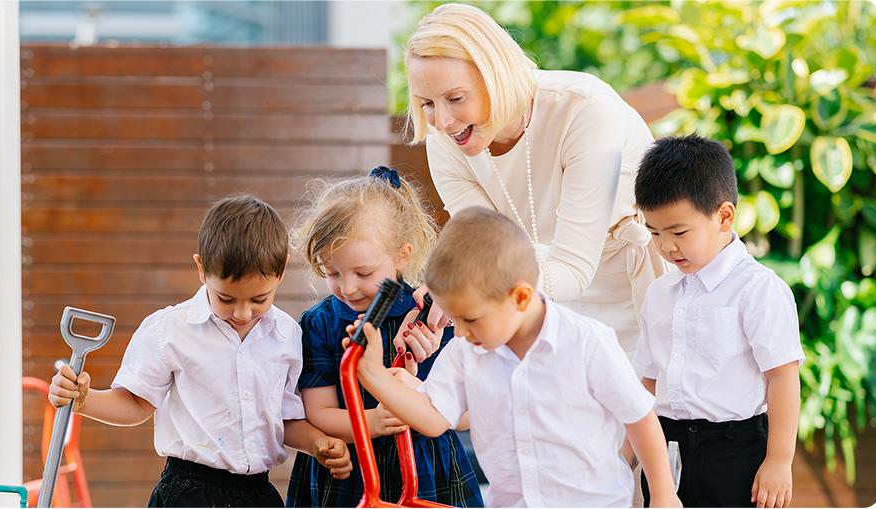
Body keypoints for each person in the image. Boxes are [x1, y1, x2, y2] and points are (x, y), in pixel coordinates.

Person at [350, 206, 681, 507]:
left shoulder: (588, 343)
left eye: (471, 319)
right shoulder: (467, 352)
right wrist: (373, 375)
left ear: (520, 298)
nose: (461, 332)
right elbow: (434, 416)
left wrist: (664, 494)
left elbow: (639, 417)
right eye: (455, 320)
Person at [48, 195, 352, 507]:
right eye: (227, 299)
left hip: (258, 494)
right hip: (189, 492)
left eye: (259, 299)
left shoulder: (286, 336)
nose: (243, 313)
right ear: (202, 269)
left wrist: (319, 443)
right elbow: (136, 403)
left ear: (282, 270)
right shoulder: (171, 331)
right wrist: (85, 400)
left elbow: (284, 420)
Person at [403, 2, 668, 357]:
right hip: (543, 306)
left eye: (455, 98)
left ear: (495, 74)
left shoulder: (584, 110)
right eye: (427, 104)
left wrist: (471, 283)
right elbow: (488, 250)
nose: (443, 121)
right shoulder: (446, 142)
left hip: (642, 295)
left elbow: (572, 271)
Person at [286, 167, 483, 507]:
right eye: (331, 272)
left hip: (427, 473)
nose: (346, 288)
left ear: (403, 254)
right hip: (350, 477)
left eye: (363, 273)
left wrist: (417, 389)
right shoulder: (321, 324)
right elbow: (318, 412)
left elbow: (468, 413)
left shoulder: (434, 315)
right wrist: (373, 422)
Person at [632, 135, 803, 508]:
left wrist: (778, 460)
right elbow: (647, 379)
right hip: (667, 448)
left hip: (735, 450)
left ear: (723, 216)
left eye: (679, 232)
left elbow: (783, 376)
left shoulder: (758, 289)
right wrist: (627, 454)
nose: (666, 247)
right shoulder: (659, 293)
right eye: (655, 232)